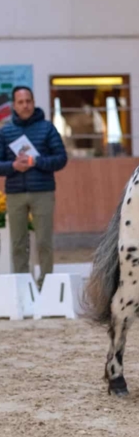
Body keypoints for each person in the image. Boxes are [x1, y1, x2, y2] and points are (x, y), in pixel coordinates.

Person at [0, 86, 68, 288]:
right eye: (20, 102)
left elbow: (61, 159)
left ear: (33, 102)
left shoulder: (47, 128)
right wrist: (13, 166)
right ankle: (22, 285)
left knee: (44, 242)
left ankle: (45, 285)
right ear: (14, 105)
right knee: (18, 243)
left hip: (43, 192)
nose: (25, 105)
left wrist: (36, 161)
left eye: (28, 101)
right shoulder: (6, 131)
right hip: (15, 193)